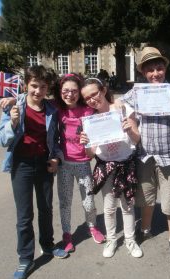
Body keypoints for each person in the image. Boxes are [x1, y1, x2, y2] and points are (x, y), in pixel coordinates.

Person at [121, 47, 170, 262]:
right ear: (144, 73)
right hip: (144, 154)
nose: (155, 73)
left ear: (165, 68)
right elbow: (119, 104)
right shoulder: (137, 92)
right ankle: (145, 230)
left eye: (159, 68)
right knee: (145, 196)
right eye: (150, 70)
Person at [0, 65, 61, 279]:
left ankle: (48, 244)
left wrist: (56, 159)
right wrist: (13, 122)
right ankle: (25, 258)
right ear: (25, 84)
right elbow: (2, 140)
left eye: (43, 87)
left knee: (46, 209)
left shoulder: (52, 109)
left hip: (44, 164)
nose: (37, 91)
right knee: (24, 216)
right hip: (21, 165)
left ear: (48, 88)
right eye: (34, 85)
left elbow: (58, 140)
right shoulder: (14, 106)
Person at [80, 78, 143, 258]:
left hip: (126, 164)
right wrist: (85, 144)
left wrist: (128, 129)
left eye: (95, 93)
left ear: (103, 90)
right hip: (105, 167)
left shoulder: (122, 108)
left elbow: (137, 139)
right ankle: (112, 240)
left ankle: (130, 240)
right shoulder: (90, 120)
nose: (92, 99)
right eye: (87, 98)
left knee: (127, 206)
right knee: (108, 208)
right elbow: (90, 155)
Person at [52, 73, 105, 259]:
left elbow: (106, 112)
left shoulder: (88, 111)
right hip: (64, 164)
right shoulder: (56, 109)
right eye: (65, 91)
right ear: (60, 92)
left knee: (89, 201)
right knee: (65, 202)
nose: (70, 94)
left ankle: (92, 226)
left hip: (83, 163)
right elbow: (35, 102)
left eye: (74, 91)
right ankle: (67, 234)